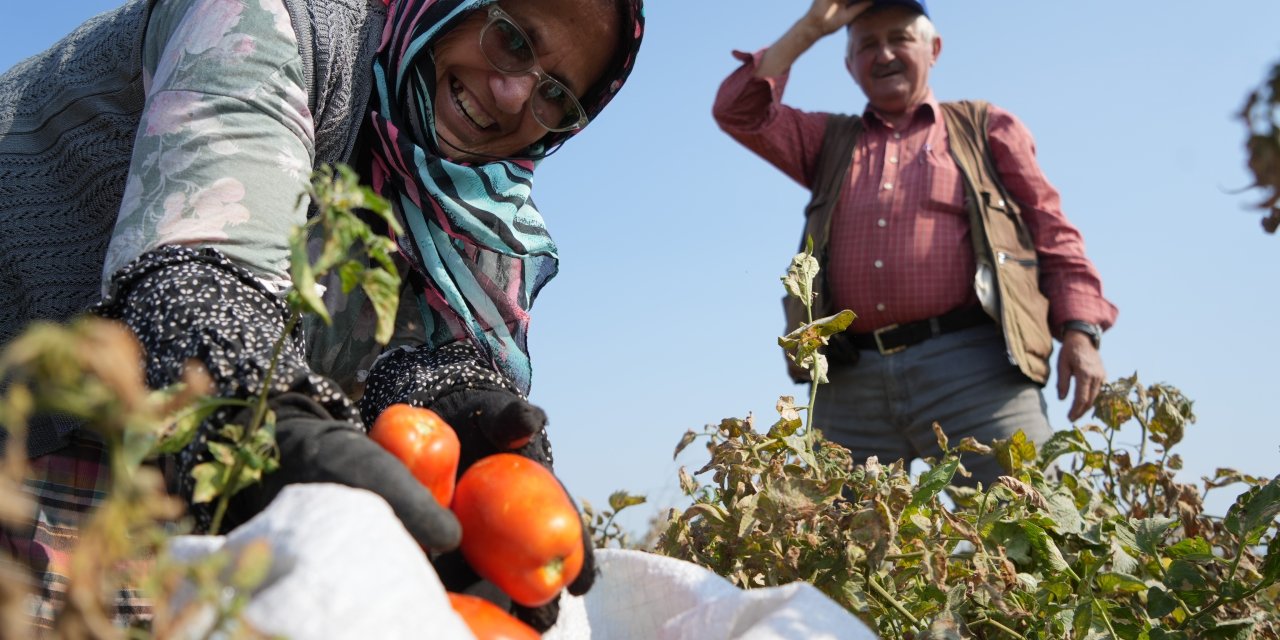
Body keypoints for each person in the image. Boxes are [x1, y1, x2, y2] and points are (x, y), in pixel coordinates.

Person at [0, 0, 643, 632]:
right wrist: (265, 413)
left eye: (556, 95)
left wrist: (453, 407)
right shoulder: (275, 18)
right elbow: (200, 269)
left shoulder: (459, 203)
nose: (511, 95)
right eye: (513, 38)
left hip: (155, 444)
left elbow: (402, 347)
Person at [713, 0, 1116, 486]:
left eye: (900, 38)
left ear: (934, 48)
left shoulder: (986, 128)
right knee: (838, 549)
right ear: (849, 65)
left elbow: (1052, 230)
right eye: (867, 45)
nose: (884, 54)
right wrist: (811, 27)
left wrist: (1080, 329)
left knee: (1030, 525)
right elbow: (738, 109)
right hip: (849, 380)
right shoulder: (828, 142)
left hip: (976, 370)